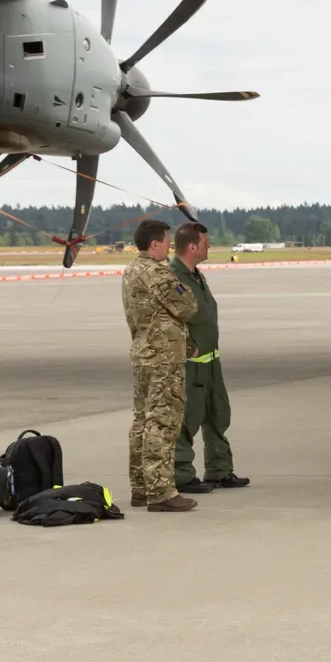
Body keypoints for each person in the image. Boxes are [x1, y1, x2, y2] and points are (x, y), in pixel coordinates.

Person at [121, 218, 199, 512]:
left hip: (143, 353)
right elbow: (187, 306)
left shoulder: (132, 270)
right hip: (163, 356)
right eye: (166, 240)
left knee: (142, 420)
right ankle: (161, 491)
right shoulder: (157, 273)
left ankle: (141, 487)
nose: (169, 245)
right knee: (162, 421)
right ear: (154, 244)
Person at [171, 222, 249, 494]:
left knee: (218, 414)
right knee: (187, 419)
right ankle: (181, 474)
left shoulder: (195, 275)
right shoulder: (173, 277)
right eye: (206, 243)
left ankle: (219, 469)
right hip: (191, 363)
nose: (209, 246)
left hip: (210, 359)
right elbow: (170, 319)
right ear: (192, 247)